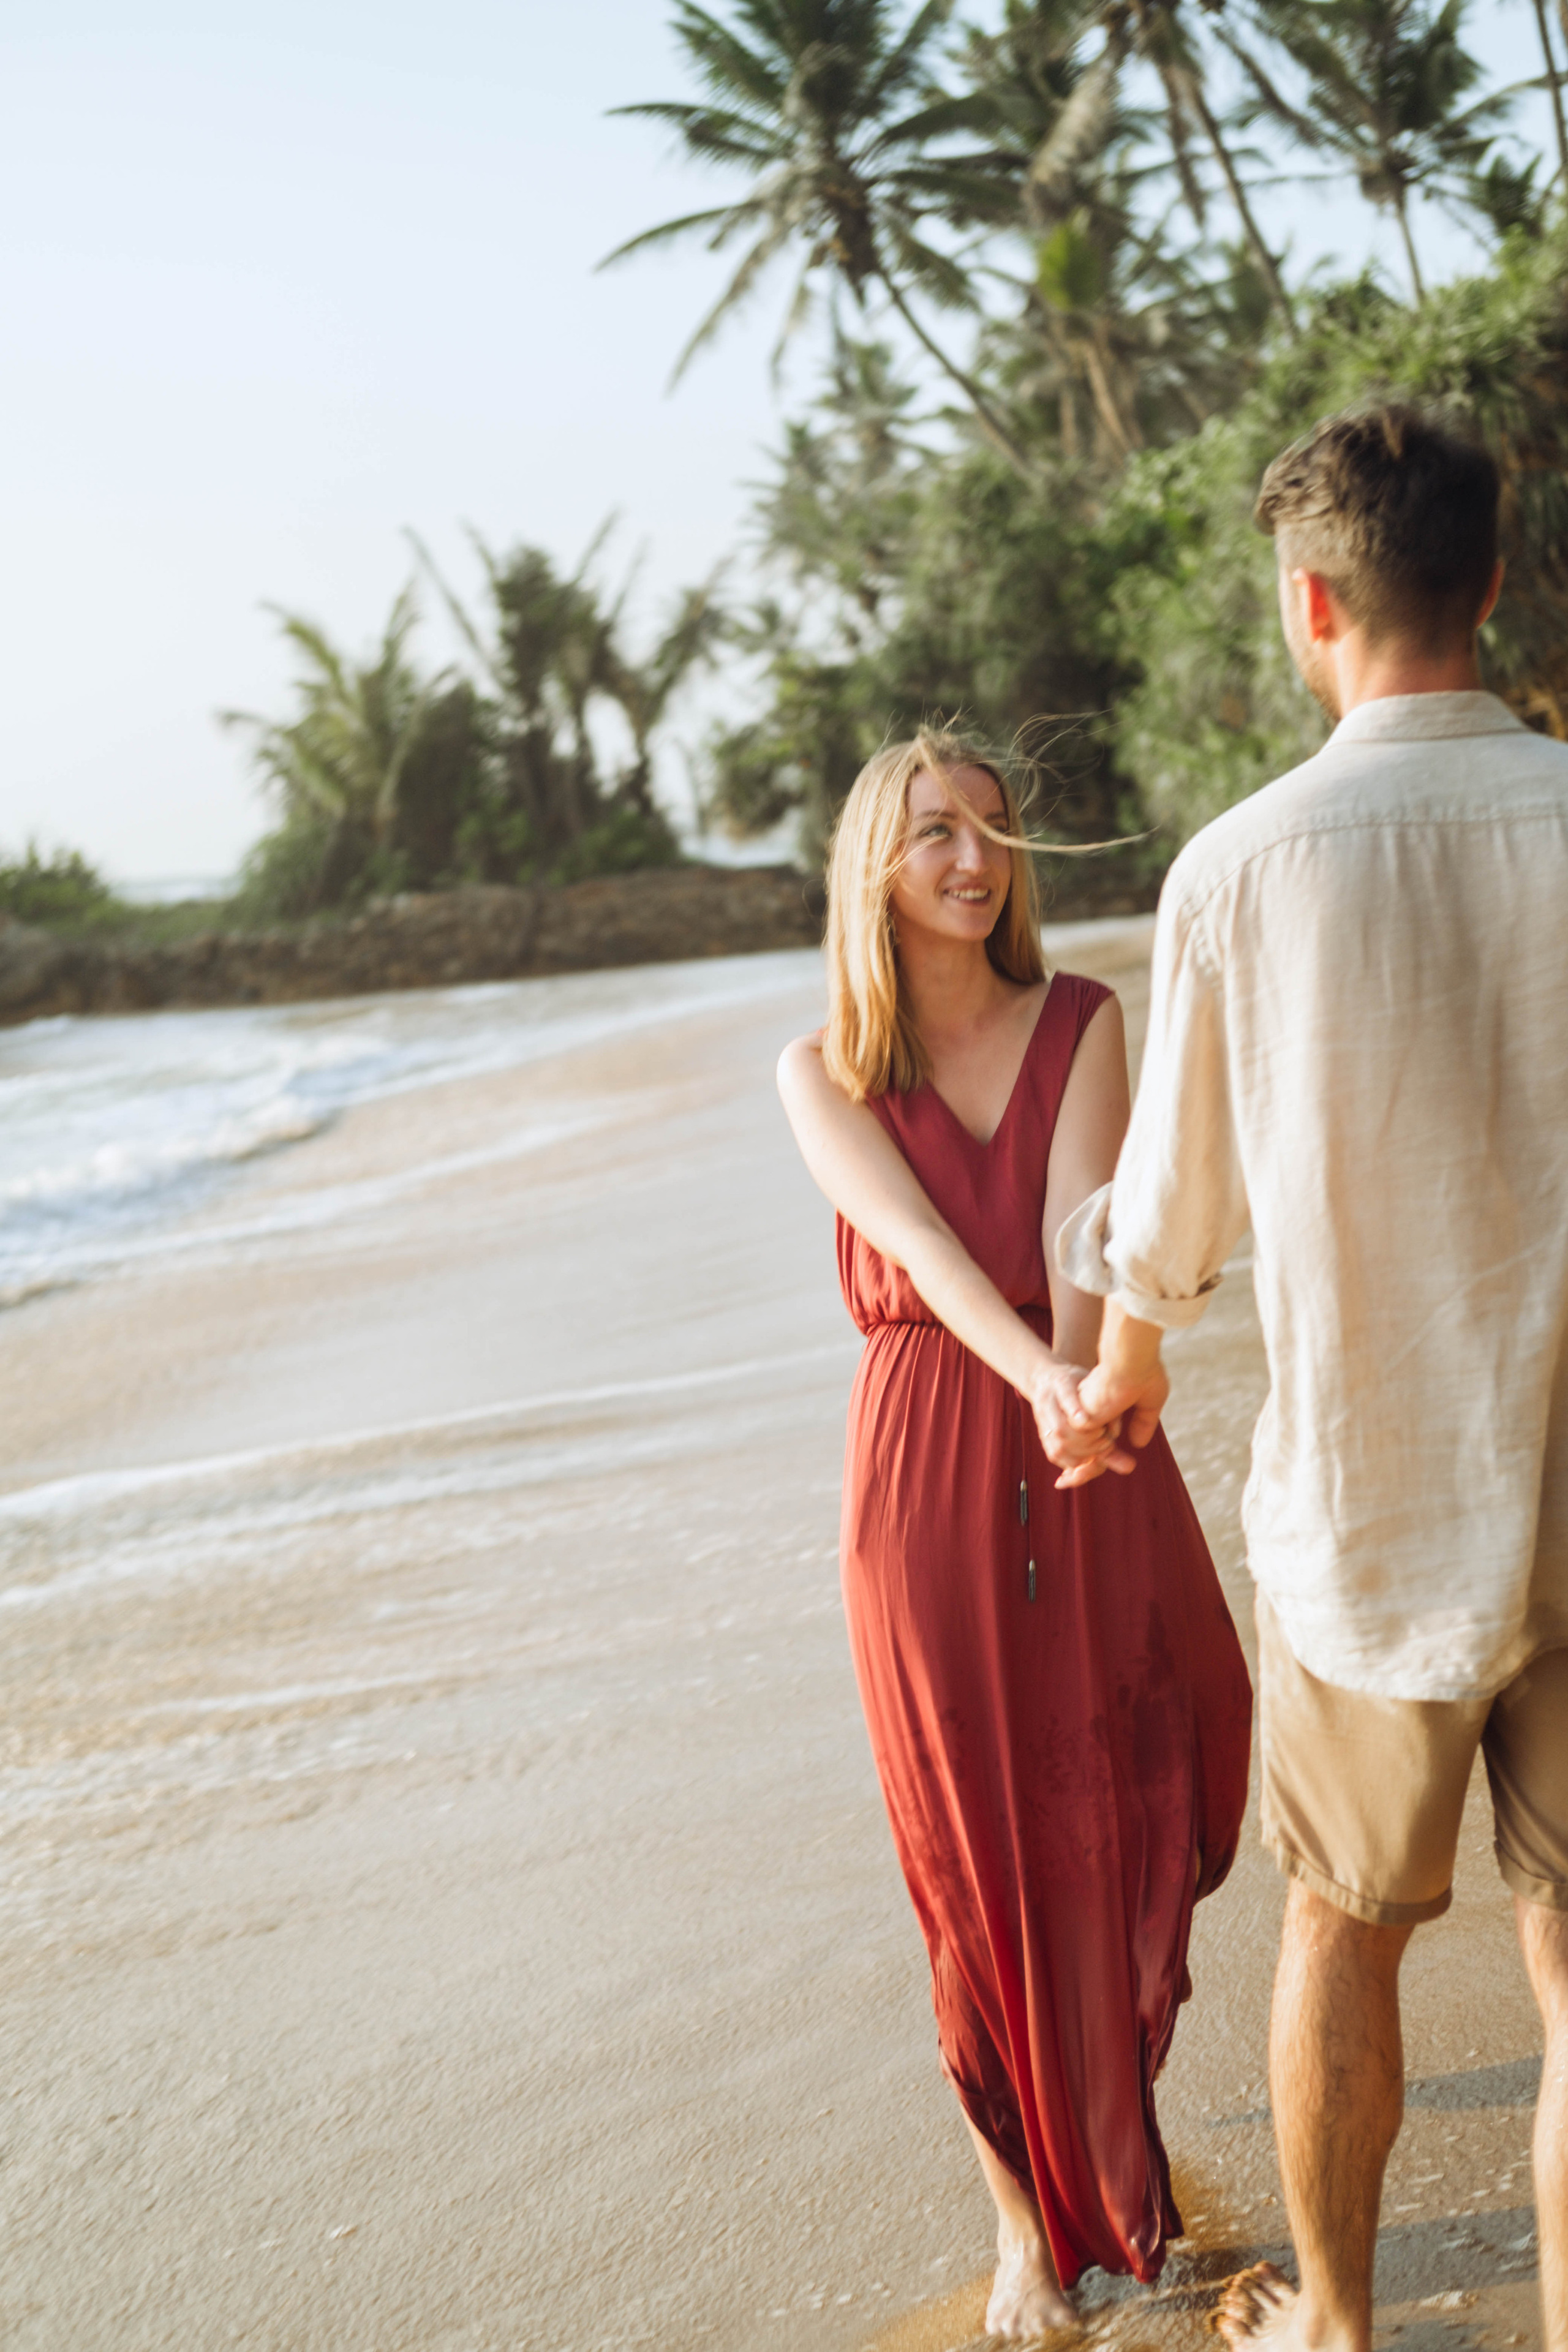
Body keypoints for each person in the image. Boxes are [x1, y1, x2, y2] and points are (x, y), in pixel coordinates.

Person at [1052, 407, 1568, 2352]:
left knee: (1345, 1928)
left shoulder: (1241, 870)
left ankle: (1340, 2335)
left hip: (1374, 1505)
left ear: (1311, 603)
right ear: (1495, 583)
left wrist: (1116, 1379)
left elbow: (1169, 1219)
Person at [777, 729, 1252, 2339]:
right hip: (931, 1469)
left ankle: (1117, 2132)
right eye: (934, 836)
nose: (975, 861)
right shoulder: (820, 1070)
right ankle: (1019, 2228)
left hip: (1089, 1447)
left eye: (994, 829)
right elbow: (914, 1237)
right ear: (873, 868)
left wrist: (1075, 1376)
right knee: (967, 1848)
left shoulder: (1084, 1023)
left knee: (1123, 1797)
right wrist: (1041, 1372)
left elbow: (1077, 1228)